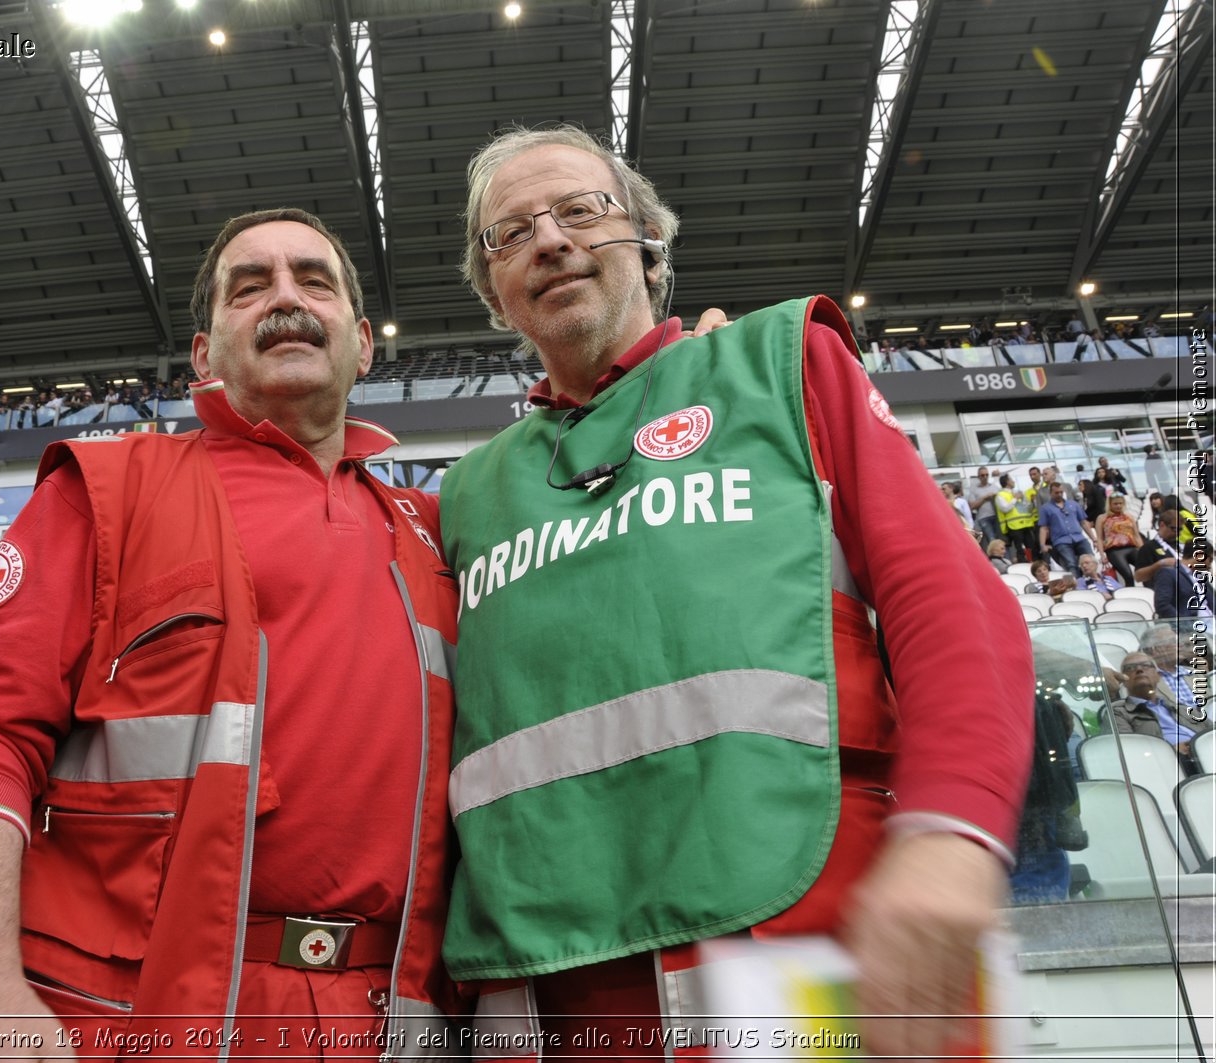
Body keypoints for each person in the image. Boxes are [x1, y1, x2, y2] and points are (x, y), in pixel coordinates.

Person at [439, 125, 1033, 1059]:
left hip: (818, 932)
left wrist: (953, 832)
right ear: (496, 292)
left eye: (580, 212)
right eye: (509, 233)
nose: (549, 240)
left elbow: (948, 599)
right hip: (560, 979)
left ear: (646, 238)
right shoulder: (465, 494)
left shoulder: (783, 366)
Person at [0, 207, 465, 1058]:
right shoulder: (104, 490)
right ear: (204, 355)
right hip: (142, 1008)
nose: (285, 298)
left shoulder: (437, 531)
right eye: (250, 287)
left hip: (386, 1016)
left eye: (313, 280)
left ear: (362, 343)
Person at [1110, 653, 1211, 770]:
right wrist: (1170, 750)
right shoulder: (1119, 713)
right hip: (1173, 768)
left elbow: (1211, 730)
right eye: (1130, 668)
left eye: (1146, 665)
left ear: (1158, 676)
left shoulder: (1180, 707)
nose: (1139, 670)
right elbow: (1131, 753)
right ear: (1123, 680)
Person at [1136, 509, 1212, 620]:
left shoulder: (1180, 546)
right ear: (1162, 525)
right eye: (1174, 529)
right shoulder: (1148, 548)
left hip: (1188, 591)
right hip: (1166, 593)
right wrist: (1159, 564)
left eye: (1180, 530)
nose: (1178, 533)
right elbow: (1138, 576)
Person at [1036, 481, 1098, 575]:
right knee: (1071, 564)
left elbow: (1083, 522)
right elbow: (1043, 528)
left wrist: (1094, 539)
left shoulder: (1073, 504)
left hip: (1079, 537)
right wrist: (1042, 544)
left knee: (1091, 560)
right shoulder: (1045, 508)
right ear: (1051, 493)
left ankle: (1096, 582)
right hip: (1061, 540)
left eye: (1061, 492)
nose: (1059, 494)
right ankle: (1077, 586)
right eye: (1056, 493)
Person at [1098, 493, 1144, 586]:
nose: (1118, 506)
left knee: (1145, 568)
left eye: (1120, 503)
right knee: (1128, 576)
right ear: (1110, 504)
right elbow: (1099, 538)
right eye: (1115, 504)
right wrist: (1102, 555)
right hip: (1114, 550)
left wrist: (1143, 551)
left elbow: (1136, 535)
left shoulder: (1129, 516)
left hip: (1131, 547)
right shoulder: (1102, 518)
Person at [996, 472, 1039, 562]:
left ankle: (1033, 563)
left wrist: (1031, 501)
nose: (1013, 481)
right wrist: (1015, 499)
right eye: (1011, 479)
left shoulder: (1018, 493)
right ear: (1007, 482)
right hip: (1015, 526)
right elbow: (1005, 508)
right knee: (1020, 549)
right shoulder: (1000, 495)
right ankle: (1023, 565)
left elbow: (1027, 508)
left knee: (1031, 547)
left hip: (1027, 525)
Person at [968, 466, 1003, 545]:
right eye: (983, 475)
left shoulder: (994, 487)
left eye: (987, 475)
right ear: (978, 477)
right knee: (992, 540)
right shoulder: (974, 489)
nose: (985, 477)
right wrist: (985, 498)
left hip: (997, 516)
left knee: (1001, 540)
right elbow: (972, 506)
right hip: (983, 518)